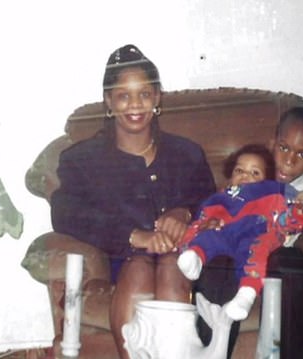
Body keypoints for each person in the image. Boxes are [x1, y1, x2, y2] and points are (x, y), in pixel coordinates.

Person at [50, 44, 216, 358]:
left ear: (157, 98)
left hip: (185, 261)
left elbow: (214, 204)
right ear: (109, 102)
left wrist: (185, 212)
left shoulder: (187, 153)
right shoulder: (81, 159)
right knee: (138, 267)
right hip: (120, 258)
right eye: (123, 95)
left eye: (144, 94)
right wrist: (133, 236)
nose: (134, 104)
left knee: (171, 266)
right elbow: (65, 212)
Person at [196, 107, 303, 359]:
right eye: (284, 148)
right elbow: (214, 205)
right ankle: (212, 349)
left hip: (274, 263)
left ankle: (291, 354)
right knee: (219, 261)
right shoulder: (252, 173)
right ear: (272, 143)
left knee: (289, 258)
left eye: (301, 154)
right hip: (236, 261)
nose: (289, 161)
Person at [177, 144, 303, 321]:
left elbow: (288, 220)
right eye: (239, 170)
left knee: (255, 251)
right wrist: (203, 226)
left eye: (255, 173)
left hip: (255, 231)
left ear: (267, 180)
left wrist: (299, 212)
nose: (246, 176)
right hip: (224, 233)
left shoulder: (273, 193)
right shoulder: (220, 198)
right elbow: (200, 221)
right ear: (230, 176)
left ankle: (246, 293)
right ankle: (195, 257)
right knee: (208, 237)